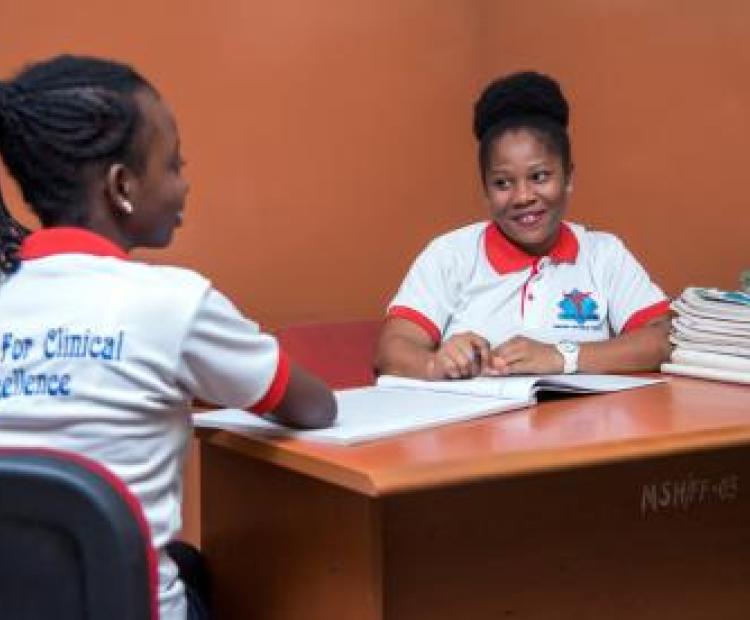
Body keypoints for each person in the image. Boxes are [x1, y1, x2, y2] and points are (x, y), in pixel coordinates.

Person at [0, 54, 336, 620]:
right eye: (173, 164)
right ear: (122, 186)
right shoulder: (174, 304)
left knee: (188, 562)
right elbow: (314, 407)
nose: (184, 183)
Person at [375, 71, 671, 380]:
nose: (523, 197)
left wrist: (560, 356)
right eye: (503, 183)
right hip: (479, 412)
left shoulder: (603, 254)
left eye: (539, 176)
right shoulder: (450, 255)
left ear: (568, 177)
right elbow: (392, 350)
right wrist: (436, 364)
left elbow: (663, 339)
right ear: (485, 189)